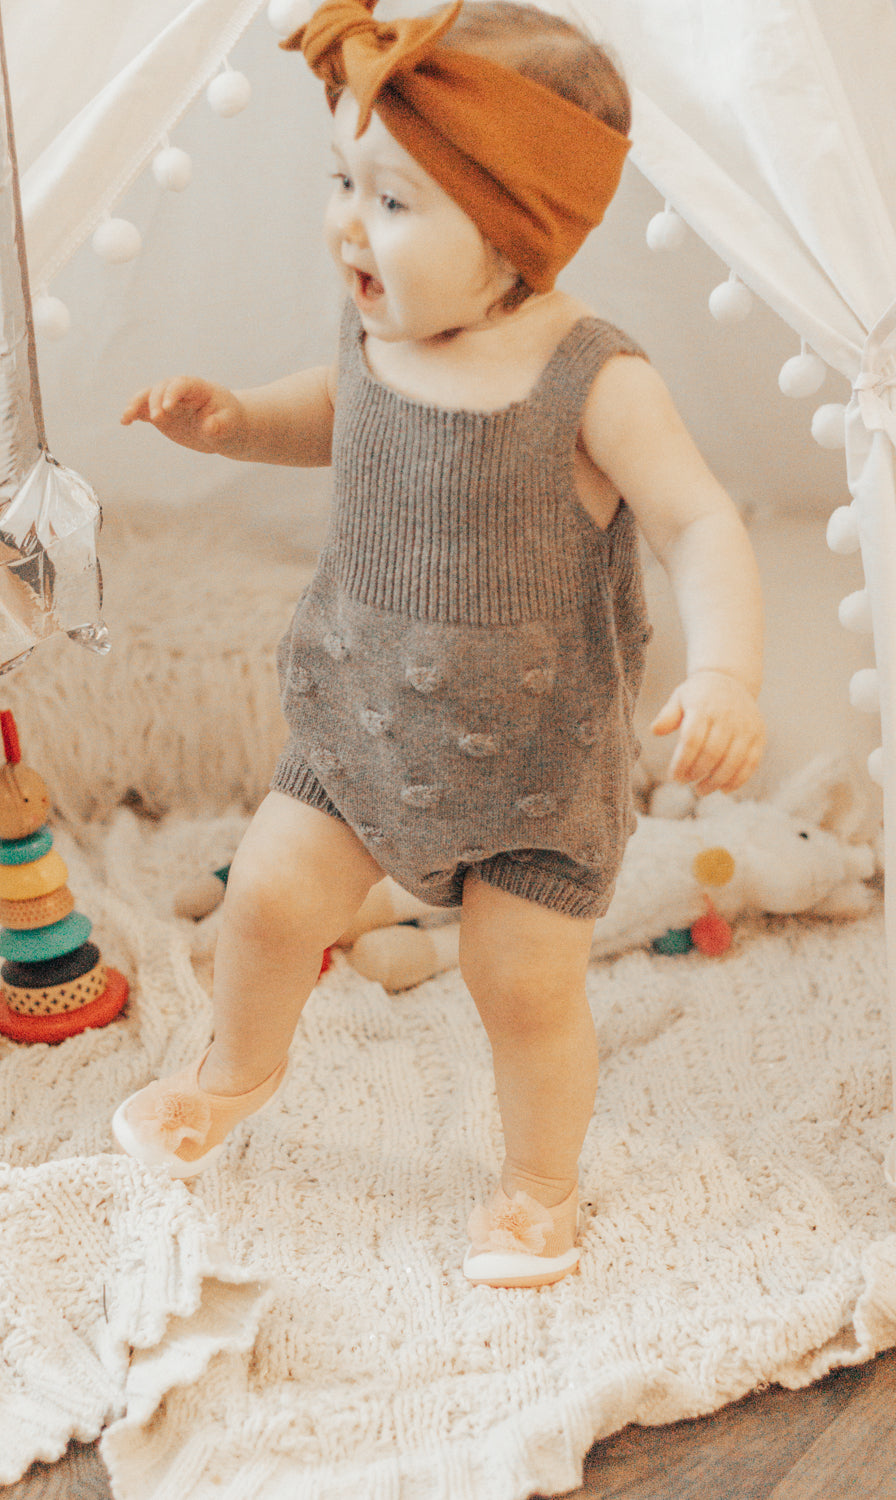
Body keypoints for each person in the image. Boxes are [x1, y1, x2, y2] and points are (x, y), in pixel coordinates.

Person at [113, 0, 765, 1289]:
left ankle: (538, 1185)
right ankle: (231, 1071)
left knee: (520, 987)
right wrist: (239, 420)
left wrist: (726, 670)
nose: (349, 222)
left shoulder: (594, 378)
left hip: (532, 769)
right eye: (341, 181)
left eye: (394, 201)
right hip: (361, 734)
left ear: (518, 229)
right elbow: (340, 416)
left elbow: (698, 522)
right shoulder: (379, 334)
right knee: (267, 903)